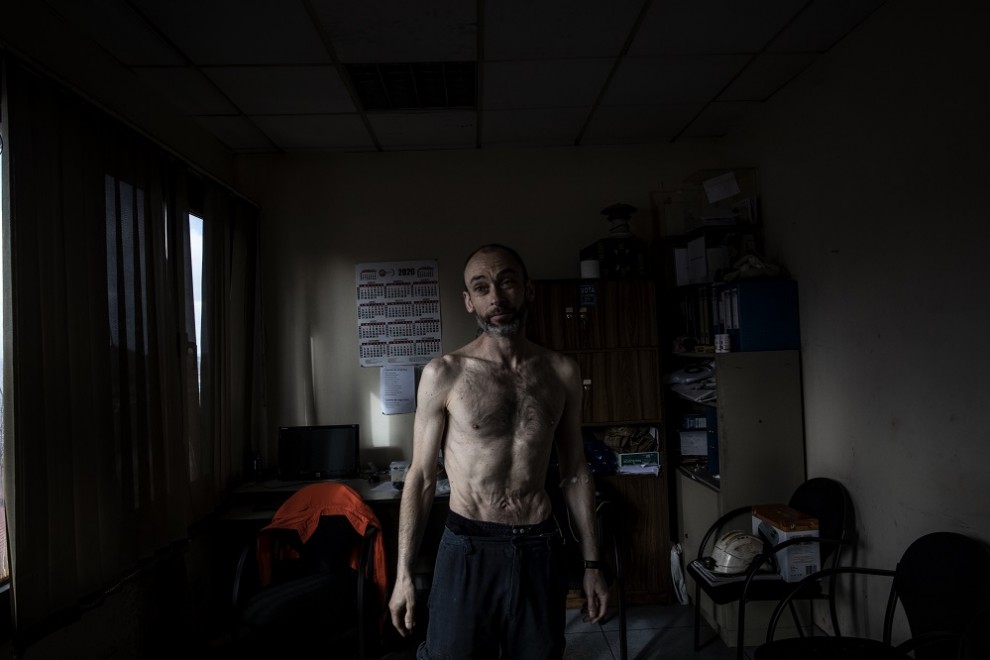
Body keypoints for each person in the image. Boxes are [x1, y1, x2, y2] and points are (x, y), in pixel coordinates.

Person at [388, 243, 609, 659]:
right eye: (482, 287)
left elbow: (575, 472)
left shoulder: (561, 372)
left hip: (539, 545)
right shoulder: (445, 373)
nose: (497, 297)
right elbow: (420, 478)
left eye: (507, 282)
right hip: (468, 545)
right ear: (469, 302)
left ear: (528, 289)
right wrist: (402, 572)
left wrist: (592, 565)